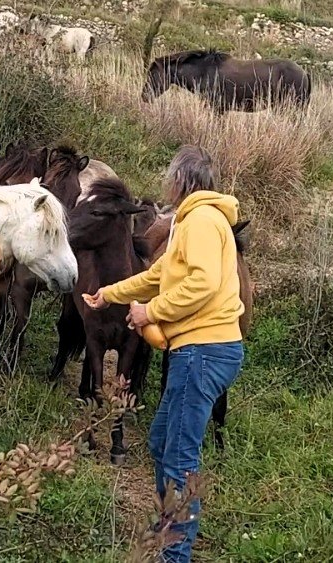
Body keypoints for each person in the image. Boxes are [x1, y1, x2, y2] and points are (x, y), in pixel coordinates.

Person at [85, 145, 244, 562]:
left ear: (182, 180)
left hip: (204, 351)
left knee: (179, 456)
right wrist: (110, 295)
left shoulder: (204, 221)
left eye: (169, 176)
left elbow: (203, 284)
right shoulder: (191, 221)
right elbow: (158, 275)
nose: (166, 184)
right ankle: (166, 530)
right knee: (161, 441)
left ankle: (174, 555)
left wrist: (149, 312)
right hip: (195, 351)